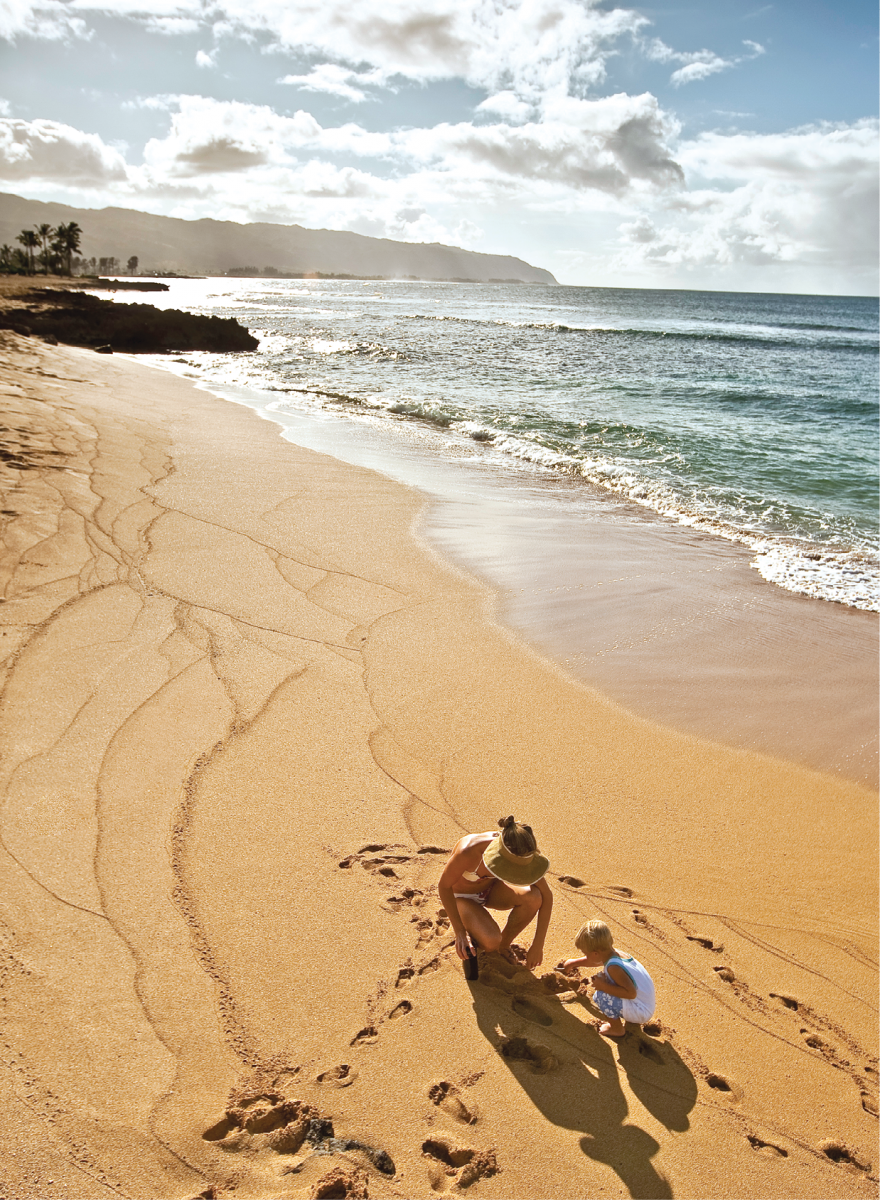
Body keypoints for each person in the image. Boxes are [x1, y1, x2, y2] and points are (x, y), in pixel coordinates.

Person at [438, 816, 553, 975]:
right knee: (491, 941)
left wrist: (538, 944)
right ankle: (471, 928)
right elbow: (444, 886)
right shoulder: (469, 851)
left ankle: (504, 945)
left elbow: (547, 895)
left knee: (533, 898)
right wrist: (459, 932)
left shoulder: (521, 851)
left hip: (491, 890)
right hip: (461, 897)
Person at [560, 919, 655, 1038]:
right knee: (605, 980)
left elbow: (631, 993)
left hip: (641, 1011)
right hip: (645, 1004)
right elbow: (596, 961)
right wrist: (572, 963)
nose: (585, 955)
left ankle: (616, 1029)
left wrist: (603, 986)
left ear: (595, 953)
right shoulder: (614, 954)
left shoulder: (614, 967)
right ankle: (626, 1012)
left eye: (585, 953)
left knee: (600, 996)